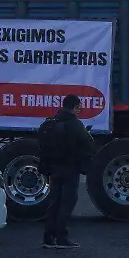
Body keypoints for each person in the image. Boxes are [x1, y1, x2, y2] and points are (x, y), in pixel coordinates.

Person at [41, 94, 96, 249]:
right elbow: (88, 145)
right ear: (73, 107)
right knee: (68, 202)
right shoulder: (75, 124)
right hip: (70, 168)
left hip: (54, 168)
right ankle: (62, 237)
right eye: (78, 107)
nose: (80, 110)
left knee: (54, 202)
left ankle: (48, 236)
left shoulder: (52, 122)